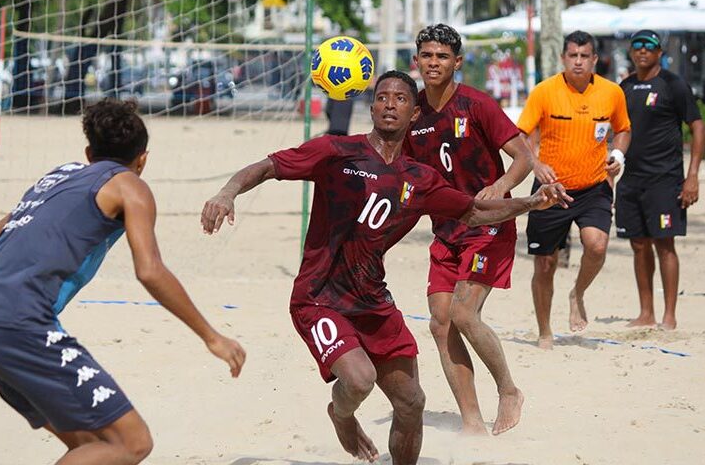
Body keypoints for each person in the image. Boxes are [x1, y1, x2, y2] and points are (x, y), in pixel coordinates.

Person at [200, 71, 570, 464]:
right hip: (320, 297)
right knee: (359, 379)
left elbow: (475, 211)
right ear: (371, 106)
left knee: (412, 402)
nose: (390, 104)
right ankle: (340, 414)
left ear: (414, 114)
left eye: (400, 99)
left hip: (373, 299)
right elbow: (268, 166)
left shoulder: (420, 178)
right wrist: (227, 193)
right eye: (382, 97)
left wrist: (531, 204)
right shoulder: (336, 151)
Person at [0, 99, 246, 465]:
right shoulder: (130, 185)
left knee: (91, 445)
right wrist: (213, 336)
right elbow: (149, 270)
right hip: (23, 325)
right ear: (143, 159)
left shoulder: (52, 180)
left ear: (88, 152)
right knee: (131, 443)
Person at [404, 23, 533, 436]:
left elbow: (523, 157)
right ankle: (472, 422)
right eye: (427, 55)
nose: (434, 62)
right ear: (416, 61)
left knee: (463, 313)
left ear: (457, 63)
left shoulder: (477, 105)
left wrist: (502, 185)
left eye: (442, 56)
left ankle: (508, 390)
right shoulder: (413, 113)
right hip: (446, 231)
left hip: (489, 226)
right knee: (440, 324)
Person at [517, 30, 632, 350]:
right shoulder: (544, 91)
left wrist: (618, 155)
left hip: (593, 186)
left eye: (585, 56)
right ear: (563, 58)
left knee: (596, 246)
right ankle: (544, 331)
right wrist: (537, 165)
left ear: (595, 59)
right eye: (573, 56)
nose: (578, 62)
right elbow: (521, 135)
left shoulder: (611, 93)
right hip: (550, 190)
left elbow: (623, 130)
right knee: (545, 264)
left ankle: (577, 293)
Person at [617, 30, 705, 330]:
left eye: (649, 46)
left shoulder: (673, 84)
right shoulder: (625, 86)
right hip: (630, 180)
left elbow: (697, 126)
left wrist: (692, 176)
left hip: (665, 180)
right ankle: (646, 313)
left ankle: (669, 316)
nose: (643, 51)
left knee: (664, 244)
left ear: (659, 52)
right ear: (631, 52)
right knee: (638, 244)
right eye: (637, 46)